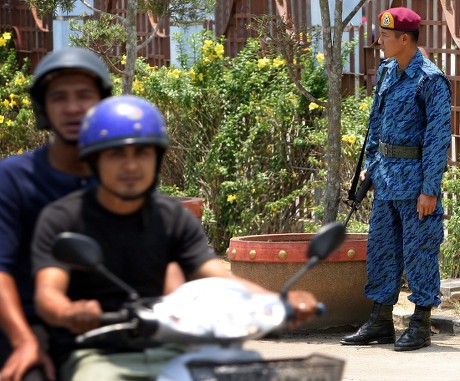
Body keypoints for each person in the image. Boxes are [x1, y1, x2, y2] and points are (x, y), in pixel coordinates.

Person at [31, 95, 321, 380]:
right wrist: (71, 311)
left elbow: (217, 277)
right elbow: (48, 292)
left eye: (142, 153)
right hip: (98, 353)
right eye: (117, 154)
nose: (131, 166)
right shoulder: (64, 217)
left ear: (156, 159)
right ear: (94, 161)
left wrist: (279, 301)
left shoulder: (171, 216)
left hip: (171, 347)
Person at [340, 7, 452, 351]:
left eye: (385, 36)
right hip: (386, 178)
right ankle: (380, 320)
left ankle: (420, 322)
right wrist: (370, 164)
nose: (379, 41)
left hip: (416, 182)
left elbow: (437, 138)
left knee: (419, 251)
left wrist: (429, 189)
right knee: (382, 250)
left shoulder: (430, 79)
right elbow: (377, 123)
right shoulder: (388, 70)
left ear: (405, 39)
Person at [0, 47, 113, 381]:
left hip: (110, 324)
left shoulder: (121, 176)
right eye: (59, 98)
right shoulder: (12, 178)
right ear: (44, 109)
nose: (73, 108)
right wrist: (23, 340)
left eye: (84, 95)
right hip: (27, 322)